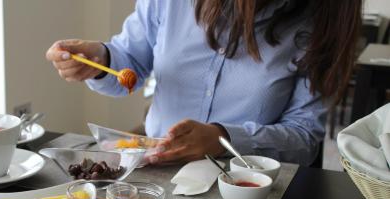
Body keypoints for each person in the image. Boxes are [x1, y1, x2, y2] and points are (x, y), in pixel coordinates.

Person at [46, 0, 361, 166]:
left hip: (248, 187)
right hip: (155, 172)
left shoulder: (321, 21)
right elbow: (131, 60)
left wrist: (223, 139)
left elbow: (304, 138)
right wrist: (100, 63)